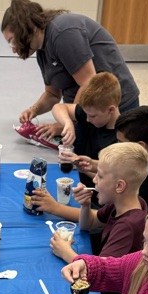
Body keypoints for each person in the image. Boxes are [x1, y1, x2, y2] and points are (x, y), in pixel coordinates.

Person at [38, 143, 148, 294]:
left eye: (100, 176)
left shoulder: (128, 226)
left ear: (120, 186)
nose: (94, 180)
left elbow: (98, 272)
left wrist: (68, 253)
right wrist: (85, 206)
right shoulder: (124, 203)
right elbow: (89, 223)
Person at [0, 0, 139, 129]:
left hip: (114, 109)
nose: (13, 49)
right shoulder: (42, 51)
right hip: (89, 114)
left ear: (25, 29)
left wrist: (66, 124)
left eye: (12, 41)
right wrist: (34, 110)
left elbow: (88, 82)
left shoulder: (62, 33)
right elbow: (53, 95)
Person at [51, 73, 121, 202]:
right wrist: (68, 123)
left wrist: (82, 166)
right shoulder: (92, 111)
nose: (87, 119)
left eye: (93, 116)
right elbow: (58, 107)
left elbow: (111, 181)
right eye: (86, 114)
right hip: (74, 181)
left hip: (94, 197)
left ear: (111, 110)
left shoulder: (119, 140)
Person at [114, 105, 148, 210]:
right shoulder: (141, 164)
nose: (116, 146)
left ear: (140, 147)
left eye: (121, 142)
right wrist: (90, 166)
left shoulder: (143, 176)